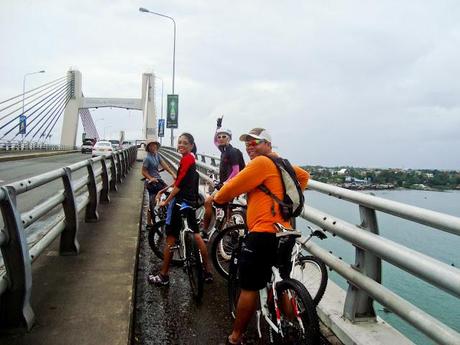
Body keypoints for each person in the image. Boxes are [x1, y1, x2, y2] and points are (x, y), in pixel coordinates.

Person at [212, 128, 309, 345]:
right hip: (284, 232)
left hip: (263, 234)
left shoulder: (261, 164)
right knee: (280, 279)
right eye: (247, 143)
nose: (249, 146)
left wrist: (217, 199)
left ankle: (235, 337)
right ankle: (292, 324)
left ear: (268, 144)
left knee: (249, 287)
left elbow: (231, 188)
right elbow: (303, 177)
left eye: (255, 142)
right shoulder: (278, 164)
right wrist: (283, 201)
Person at [149, 133, 213, 285]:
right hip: (190, 203)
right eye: (179, 142)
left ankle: (163, 276)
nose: (181, 145)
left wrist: (166, 201)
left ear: (191, 145)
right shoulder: (192, 159)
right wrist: (163, 189)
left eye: (185, 143)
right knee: (197, 235)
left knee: (170, 240)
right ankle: (207, 272)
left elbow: (178, 186)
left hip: (179, 203)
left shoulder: (186, 159)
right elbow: (180, 180)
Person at [202, 117, 245, 233]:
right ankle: (226, 228)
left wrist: (225, 183)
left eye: (224, 137)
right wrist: (218, 127)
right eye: (219, 136)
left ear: (229, 139)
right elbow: (214, 141)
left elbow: (236, 171)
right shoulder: (224, 150)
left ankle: (205, 230)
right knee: (225, 208)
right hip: (225, 184)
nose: (220, 139)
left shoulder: (232, 152)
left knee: (208, 202)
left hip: (230, 185)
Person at [142, 138, 176, 227]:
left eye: (154, 144)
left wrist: (172, 173)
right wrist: (151, 178)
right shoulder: (147, 158)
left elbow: (164, 165)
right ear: (148, 147)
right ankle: (149, 223)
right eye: (151, 145)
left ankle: (161, 212)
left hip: (159, 180)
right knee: (153, 202)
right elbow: (143, 171)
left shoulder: (156, 155)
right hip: (152, 183)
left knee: (166, 193)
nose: (153, 146)